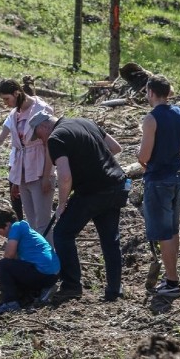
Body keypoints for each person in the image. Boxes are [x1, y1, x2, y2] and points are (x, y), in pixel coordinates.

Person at [29, 111, 128, 302]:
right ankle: (114, 288)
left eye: (40, 136)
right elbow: (115, 148)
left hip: (92, 192)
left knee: (62, 234)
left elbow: (65, 177)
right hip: (116, 186)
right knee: (110, 240)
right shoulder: (85, 122)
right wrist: (89, 164)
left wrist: (61, 204)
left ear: (43, 127)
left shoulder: (56, 138)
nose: (42, 141)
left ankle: (72, 285)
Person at [137, 75, 180, 298]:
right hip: (178, 176)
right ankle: (171, 276)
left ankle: (172, 282)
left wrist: (139, 157)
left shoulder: (151, 118)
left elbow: (144, 155)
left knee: (164, 233)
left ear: (150, 92)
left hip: (158, 179)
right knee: (173, 230)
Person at [0, 79, 55, 236]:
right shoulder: (15, 114)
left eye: (7, 99)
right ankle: (36, 257)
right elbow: (1, 137)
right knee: (32, 221)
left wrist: (47, 175)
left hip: (39, 170)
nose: (5, 103)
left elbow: (49, 144)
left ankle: (49, 258)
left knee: (43, 222)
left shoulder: (41, 109)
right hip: (22, 173)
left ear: (17, 93)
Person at [0, 208, 60, 315]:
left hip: (42, 273)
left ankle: (10, 303)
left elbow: (9, 256)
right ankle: (40, 292)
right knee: (11, 271)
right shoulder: (24, 231)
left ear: (7, 225)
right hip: (52, 274)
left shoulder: (16, 227)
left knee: (3, 264)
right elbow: (16, 263)